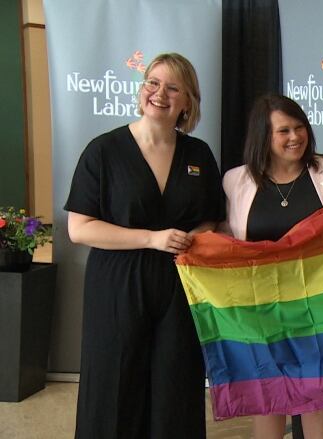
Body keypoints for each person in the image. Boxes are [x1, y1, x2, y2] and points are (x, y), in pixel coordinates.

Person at [66, 53, 224, 438]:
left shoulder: (198, 154)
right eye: (152, 82)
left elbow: (210, 218)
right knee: (115, 385)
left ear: (188, 101)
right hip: (117, 284)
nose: (160, 93)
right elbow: (79, 228)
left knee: (176, 385)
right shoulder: (103, 151)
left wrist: (195, 237)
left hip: (179, 286)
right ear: (141, 91)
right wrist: (151, 239)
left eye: (173, 87)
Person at [220, 94, 323, 439]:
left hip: (320, 304)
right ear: (263, 137)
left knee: (318, 393)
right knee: (268, 394)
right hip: (261, 307)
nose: (295, 136)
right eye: (284, 130)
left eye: (299, 127)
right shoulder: (236, 181)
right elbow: (225, 240)